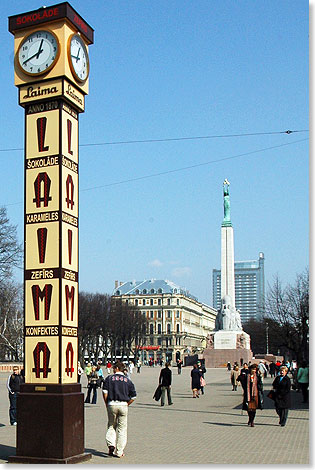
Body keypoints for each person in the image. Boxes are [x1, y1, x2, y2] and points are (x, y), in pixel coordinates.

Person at [102, 361, 137, 458]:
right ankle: (119, 451)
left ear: (117, 368)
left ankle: (111, 445)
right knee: (122, 429)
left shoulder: (109, 379)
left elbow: (105, 392)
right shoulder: (128, 380)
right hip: (123, 405)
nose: (113, 369)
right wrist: (127, 404)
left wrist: (106, 403)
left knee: (111, 426)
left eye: (114, 368)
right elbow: (134, 396)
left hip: (111, 404)